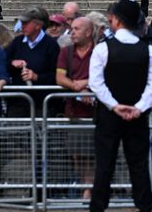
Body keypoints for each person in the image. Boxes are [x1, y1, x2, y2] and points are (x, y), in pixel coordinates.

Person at [88, 0, 152, 212]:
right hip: (137, 116)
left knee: (104, 167)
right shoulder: (148, 50)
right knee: (138, 166)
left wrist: (114, 105)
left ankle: (98, 208)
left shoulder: (103, 49)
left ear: (117, 21)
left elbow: (96, 83)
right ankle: (145, 207)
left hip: (109, 115)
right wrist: (138, 107)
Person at [55, 16, 96, 199]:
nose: (72, 32)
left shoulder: (99, 51)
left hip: (95, 113)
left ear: (88, 32)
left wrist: (87, 83)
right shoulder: (66, 52)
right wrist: (76, 87)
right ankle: (85, 185)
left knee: (92, 154)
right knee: (77, 154)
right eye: (71, 28)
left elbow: (105, 73)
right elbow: (60, 78)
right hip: (73, 111)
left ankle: (89, 189)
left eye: (77, 29)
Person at [6, 7, 60, 116]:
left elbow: (56, 75)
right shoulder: (17, 42)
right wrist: (12, 63)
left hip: (42, 105)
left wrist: (36, 77)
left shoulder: (51, 46)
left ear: (38, 25)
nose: (22, 26)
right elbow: (2, 62)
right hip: (18, 104)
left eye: (26, 23)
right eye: (22, 22)